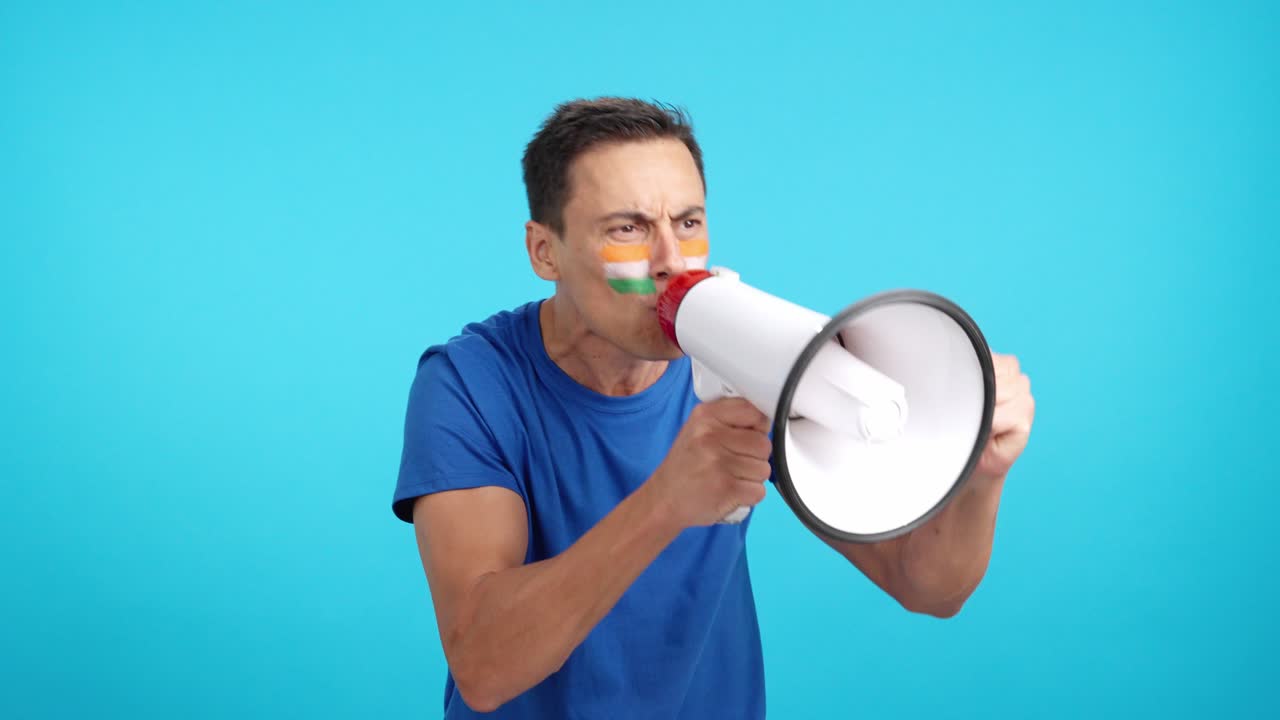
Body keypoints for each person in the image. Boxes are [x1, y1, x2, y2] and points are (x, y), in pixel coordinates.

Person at [392, 97, 1036, 718]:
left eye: (689, 223)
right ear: (544, 251)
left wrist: (981, 478)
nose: (671, 263)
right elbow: (482, 666)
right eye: (628, 228)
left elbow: (925, 586)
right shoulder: (469, 383)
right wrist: (667, 502)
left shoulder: (743, 352)